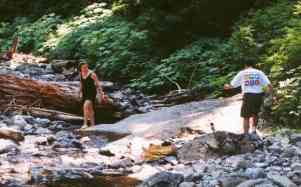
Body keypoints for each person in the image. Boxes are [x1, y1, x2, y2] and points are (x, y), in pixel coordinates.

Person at [224, 59, 273, 134]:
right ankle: (253, 130)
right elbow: (269, 85)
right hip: (258, 95)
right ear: (253, 65)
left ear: (245, 65)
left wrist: (226, 86)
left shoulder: (242, 73)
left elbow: (231, 85)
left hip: (248, 95)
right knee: (255, 114)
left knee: (246, 116)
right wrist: (271, 95)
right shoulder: (259, 72)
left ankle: (246, 134)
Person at [79, 61, 105, 129]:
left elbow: (98, 84)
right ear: (81, 68)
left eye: (86, 67)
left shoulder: (92, 74)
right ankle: (93, 125)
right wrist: (79, 92)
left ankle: (85, 124)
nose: (85, 68)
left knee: (85, 106)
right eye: (83, 67)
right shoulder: (81, 73)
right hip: (85, 92)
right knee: (90, 109)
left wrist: (102, 94)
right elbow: (81, 83)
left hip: (91, 92)